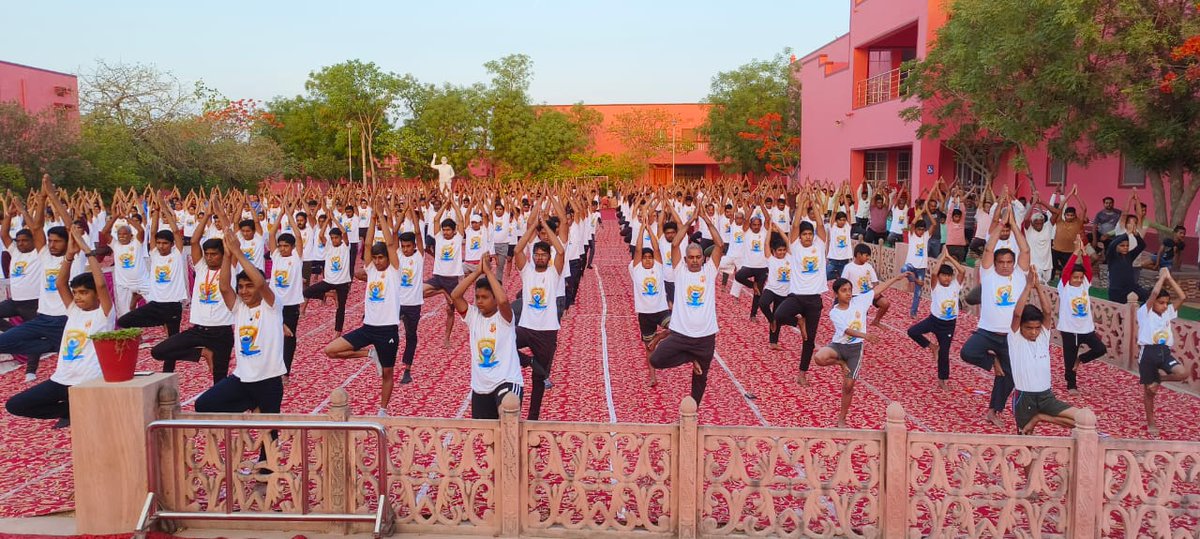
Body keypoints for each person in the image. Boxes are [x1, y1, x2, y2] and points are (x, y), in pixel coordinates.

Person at [4, 227, 114, 428]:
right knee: (15, 405)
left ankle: (80, 409)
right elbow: (60, 283)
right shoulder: (73, 310)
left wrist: (88, 252)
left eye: (83, 293)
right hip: (61, 379)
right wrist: (69, 256)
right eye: (76, 293)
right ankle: (70, 410)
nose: (78, 297)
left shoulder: (104, 315)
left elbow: (101, 285)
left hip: (87, 381)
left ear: (96, 296)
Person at [194, 229, 287, 434]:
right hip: (242, 379)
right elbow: (225, 287)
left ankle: (263, 462)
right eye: (242, 286)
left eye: (249, 287)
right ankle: (251, 407)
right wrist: (227, 256)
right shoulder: (239, 308)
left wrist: (238, 253)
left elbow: (261, 283)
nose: (244, 291)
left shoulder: (271, 306)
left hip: (268, 379)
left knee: (269, 438)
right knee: (204, 405)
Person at [321, 199, 402, 416]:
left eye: (380, 257)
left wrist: (379, 215)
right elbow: (366, 245)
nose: (377, 261)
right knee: (331, 350)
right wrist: (372, 221)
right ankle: (369, 354)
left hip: (388, 330)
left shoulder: (394, 271)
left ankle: (383, 410)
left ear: (387, 257)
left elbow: (391, 243)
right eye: (374, 258)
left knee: (387, 373)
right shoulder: (371, 270)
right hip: (368, 327)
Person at [960, 201, 1031, 428]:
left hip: (1011, 336)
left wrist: (1014, 225)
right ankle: (993, 361)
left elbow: (1026, 250)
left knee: (1010, 377)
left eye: (1009, 262)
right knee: (967, 352)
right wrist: (1001, 224)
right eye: (1001, 262)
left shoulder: (1020, 275)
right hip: (988, 332)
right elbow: (989, 249)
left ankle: (994, 411)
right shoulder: (989, 275)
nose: (1005, 266)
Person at [648, 203, 723, 406]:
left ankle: (693, 413)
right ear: (686, 259)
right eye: (691, 258)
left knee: (700, 381)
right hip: (681, 334)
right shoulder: (679, 270)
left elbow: (720, 245)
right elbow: (675, 245)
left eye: (698, 257)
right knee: (656, 359)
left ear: (703, 258)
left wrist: (706, 220)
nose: (695, 261)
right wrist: (689, 222)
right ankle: (690, 358)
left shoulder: (709, 271)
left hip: (706, 336)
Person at [813, 271, 909, 427]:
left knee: (848, 386)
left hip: (855, 349)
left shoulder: (860, 301)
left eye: (850, 290)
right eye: (844, 291)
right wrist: (865, 336)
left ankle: (842, 418)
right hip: (838, 346)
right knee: (819, 358)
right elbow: (847, 331)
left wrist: (895, 278)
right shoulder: (835, 312)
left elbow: (878, 290)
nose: (848, 293)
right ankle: (840, 363)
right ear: (836, 293)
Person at [1008, 265, 1081, 435]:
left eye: (1036, 328)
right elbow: (1017, 315)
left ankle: (1041, 417)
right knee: (1025, 441)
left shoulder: (1042, 336)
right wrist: (1027, 287)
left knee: (1083, 419)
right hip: (1024, 397)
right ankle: (1035, 420)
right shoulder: (1015, 338)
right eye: (1029, 328)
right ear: (1021, 328)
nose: (1034, 332)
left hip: (1046, 396)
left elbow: (1048, 312)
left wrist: (1038, 286)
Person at [451, 253, 523, 420]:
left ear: (494, 299)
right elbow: (455, 296)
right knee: (487, 438)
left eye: (485, 297)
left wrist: (489, 273)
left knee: (507, 426)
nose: (479, 301)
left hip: (507, 381)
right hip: (481, 387)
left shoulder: (505, 318)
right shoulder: (473, 317)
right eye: (477, 297)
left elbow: (504, 301)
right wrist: (478, 271)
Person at [511, 206, 566, 421]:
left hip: (547, 332)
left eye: (544, 254)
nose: (540, 257)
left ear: (548, 257)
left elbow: (560, 251)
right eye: (537, 254)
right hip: (526, 328)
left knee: (539, 378)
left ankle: (533, 418)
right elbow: (517, 251)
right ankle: (527, 361)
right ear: (533, 256)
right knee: (503, 342)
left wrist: (545, 227)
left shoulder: (554, 272)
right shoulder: (526, 271)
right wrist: (534, 226)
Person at [118, 196, 188, 340]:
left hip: (173, 305)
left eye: (165, 243)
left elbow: (175, 232)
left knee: (172, 345)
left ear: (172, 244)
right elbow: (152, 231)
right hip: (156, 305)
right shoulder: (154, 253)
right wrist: (155, 212)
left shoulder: (177, 254)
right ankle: (160, 322)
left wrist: (164, 207)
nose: (161, 246)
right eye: (159, 243)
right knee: (123, 321)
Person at [1137, 269, 1189, 436]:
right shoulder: (1144, 313)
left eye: (1166, 303)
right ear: (1153, 302)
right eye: (1161, 302)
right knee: (1149, 392)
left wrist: (1169, 277)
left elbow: (1182, 297)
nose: (1164, 306)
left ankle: (1158, 379)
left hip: (1164, 352)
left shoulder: (1167, 313)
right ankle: (1151, 422)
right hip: (1148, 353)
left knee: (1182, 373)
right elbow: (1153, 293)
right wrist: (1161, 278)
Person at [907, 250, 966, 389]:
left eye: (949, 276)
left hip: (948, 325)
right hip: (934, 321)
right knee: (912, 331)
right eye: (944, 275)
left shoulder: (955, 286)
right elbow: (933, 273)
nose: (947, 278)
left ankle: (943, 380)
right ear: (939, 277)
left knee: (944, 353)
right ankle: (932, 347)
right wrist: (942, 258)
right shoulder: (936, 287)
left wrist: (950, 257)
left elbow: (962, 271)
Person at [1056, 238, 1106, 394]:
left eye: (1080, 277)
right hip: (1069, 330)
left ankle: (1081, 359)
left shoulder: (1085, 284)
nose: (1078, 280)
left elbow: (1089, 271)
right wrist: (1076, 252)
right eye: (1075, 277)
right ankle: (1071, 384)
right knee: (1069, 358)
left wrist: (1084, 254)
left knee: (1100, 348)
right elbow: (1066, 271)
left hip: (1086, 329)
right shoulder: (1064, 287)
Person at [629, 215, 670, 386]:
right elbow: (638, 249)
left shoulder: (659, 268)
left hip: (660, 310)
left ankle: (658, 337)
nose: (647, 260)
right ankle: (653, 377)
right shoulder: (636, 269)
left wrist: (650, 229)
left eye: (649, 258)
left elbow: (657, 248)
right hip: (645, 314)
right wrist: (641, 229)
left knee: (675, 328)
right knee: (649, 348)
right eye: (645, 258)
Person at [301, 201, 352, 335]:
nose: (334, 240)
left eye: (336, 238)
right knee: (306, 292)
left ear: (340, 238)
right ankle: (328, 294)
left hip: (342, 283)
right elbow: (320, 236)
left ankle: (337, 332)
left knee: (340, 308)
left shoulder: (345, 247)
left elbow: (344, 232)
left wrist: (333, 218)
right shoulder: (329, 246)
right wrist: (327, 220)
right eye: (332, 238)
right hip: (328, 281)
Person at [423, 199, 466, 347]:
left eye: (449, 230)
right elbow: (435, 219)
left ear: (454, 231)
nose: (446, 232)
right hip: (439, 278)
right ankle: (441, 291)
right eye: (444, 230)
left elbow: (461, 219)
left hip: (453, 280)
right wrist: (444, 204)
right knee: (419, 292)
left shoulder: (458, 238)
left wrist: (453, 203)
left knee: (450, 311)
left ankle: (446, 339)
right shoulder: (439, 238)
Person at [1106, 233, 1147, 304]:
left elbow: (1142, 245)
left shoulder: (1129, 256)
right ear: (1116, 246)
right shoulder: (1112, 257)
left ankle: (1140, 313)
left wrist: (1136, 235)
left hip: (1131, 288)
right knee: (1119, 313)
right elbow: (1112, 245)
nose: (1125, 247)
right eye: (1122, 245)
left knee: (1149, 296)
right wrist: (1127, 233)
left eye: (1127, 245)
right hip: (1117, 291)